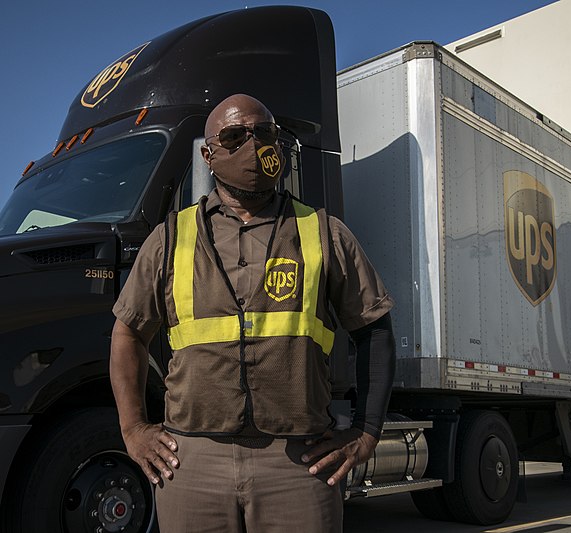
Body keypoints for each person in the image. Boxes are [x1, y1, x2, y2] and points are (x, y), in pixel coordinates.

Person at [109, 93, 396, 532]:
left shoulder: (324, 233)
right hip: (191, 463)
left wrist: (366, 431)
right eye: (235, 135)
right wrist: (133, 429)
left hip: (299, 465)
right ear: (208, 154)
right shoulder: (169, 239)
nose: (254, 144)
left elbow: (374, 330)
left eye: (265, 133)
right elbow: (129, 333)